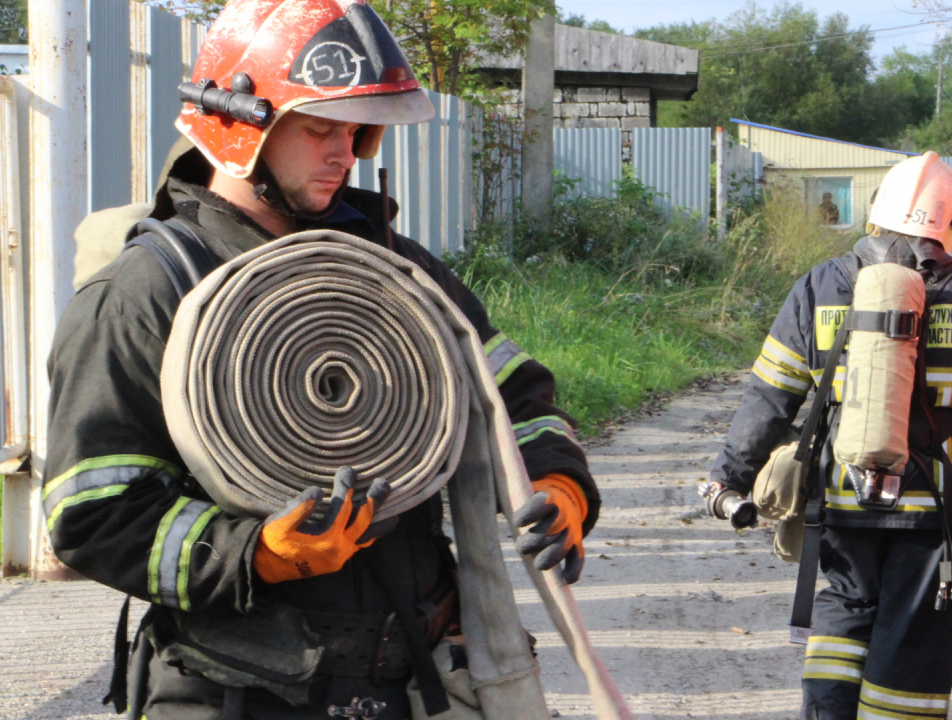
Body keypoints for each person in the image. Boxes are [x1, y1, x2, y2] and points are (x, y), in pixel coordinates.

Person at [44, 1, 599, 717]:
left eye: (355, 129)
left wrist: (560, 484)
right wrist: (254, 552)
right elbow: (94, 513)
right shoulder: (146, 294)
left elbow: (510, 397)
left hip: (410, 681)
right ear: (242, 122)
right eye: (318, 128)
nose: (347, 153)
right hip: (240, 691)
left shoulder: (397, 272)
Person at [706, 152, 952, 720]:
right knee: (912, 639)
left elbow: (770, 398)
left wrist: (729, 475)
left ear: (877, 217)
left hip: (843, 498)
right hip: (937, 509)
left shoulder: (821, 285)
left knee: (844, 615)